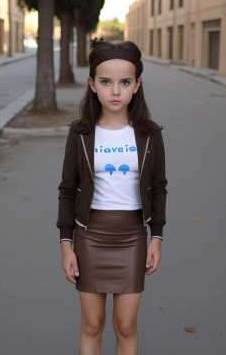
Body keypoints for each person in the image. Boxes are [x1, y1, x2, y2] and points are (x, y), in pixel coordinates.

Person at [56, 39, 167, 355]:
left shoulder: (149, 134)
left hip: (132, 237)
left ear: (137, 85)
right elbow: (67, 189)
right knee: (92, 324)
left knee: (126, 325)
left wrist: (156, 237)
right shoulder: (80, 134)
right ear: (92, 84)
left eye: (125, 82)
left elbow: (158, 188)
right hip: (89, 237)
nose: (115, 91)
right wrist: (66, 245)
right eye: (106, 82)